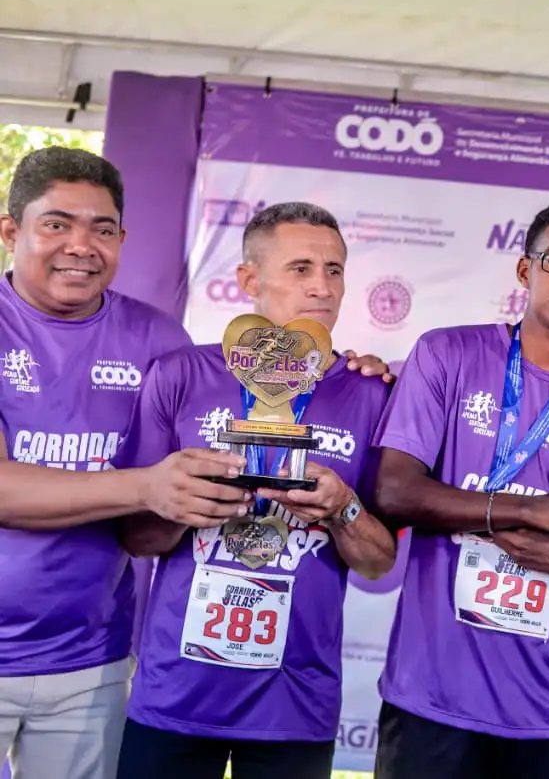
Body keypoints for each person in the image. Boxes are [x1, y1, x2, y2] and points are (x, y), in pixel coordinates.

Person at [109, 203, 398, 779]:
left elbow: (379, 563)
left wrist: (343, 507)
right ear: (248, 281)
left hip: (295, 702)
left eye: (335, 269)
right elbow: (138, 539)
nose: (322, 286)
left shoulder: (371, 391)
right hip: (177, 693)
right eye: (300, 268)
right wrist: (188, 500)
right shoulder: (180, 375)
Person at [371, 200, 549, 779]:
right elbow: (395, 492)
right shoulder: (447, 353)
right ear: (526, 271)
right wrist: (542, 510)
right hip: (432, 694)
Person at [0, 147, 241, 779]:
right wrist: (146, 486)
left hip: (91, 662)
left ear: (122, 239)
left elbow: (232, 421)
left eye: (102, 229)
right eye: (56, 224)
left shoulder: (160, 340)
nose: (81, 245)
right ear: (10, 231)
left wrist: (344, 372)